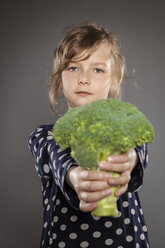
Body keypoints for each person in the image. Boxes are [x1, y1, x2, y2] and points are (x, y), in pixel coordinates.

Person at [28, 22, 150, 248]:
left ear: (113, 80)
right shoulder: (44, 136)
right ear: (58, 77)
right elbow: (54, 155)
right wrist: (73, 175)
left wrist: (130, 159)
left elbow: (139, 147)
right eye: (73, 68)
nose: (84, 78)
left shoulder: (123, 129)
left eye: (98, 69)